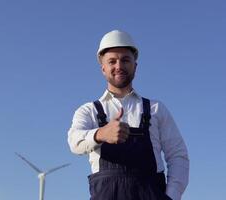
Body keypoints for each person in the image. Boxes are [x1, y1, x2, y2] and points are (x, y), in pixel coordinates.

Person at [67, 30, 189, 200]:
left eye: (125, 60)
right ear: (103, 68)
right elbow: (74, 142)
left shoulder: (156, 109)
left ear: (135, 66)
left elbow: (178, 156)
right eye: (112, 61)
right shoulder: (89, 111)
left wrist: (171, 197)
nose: (119, 66)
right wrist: (101, 134)